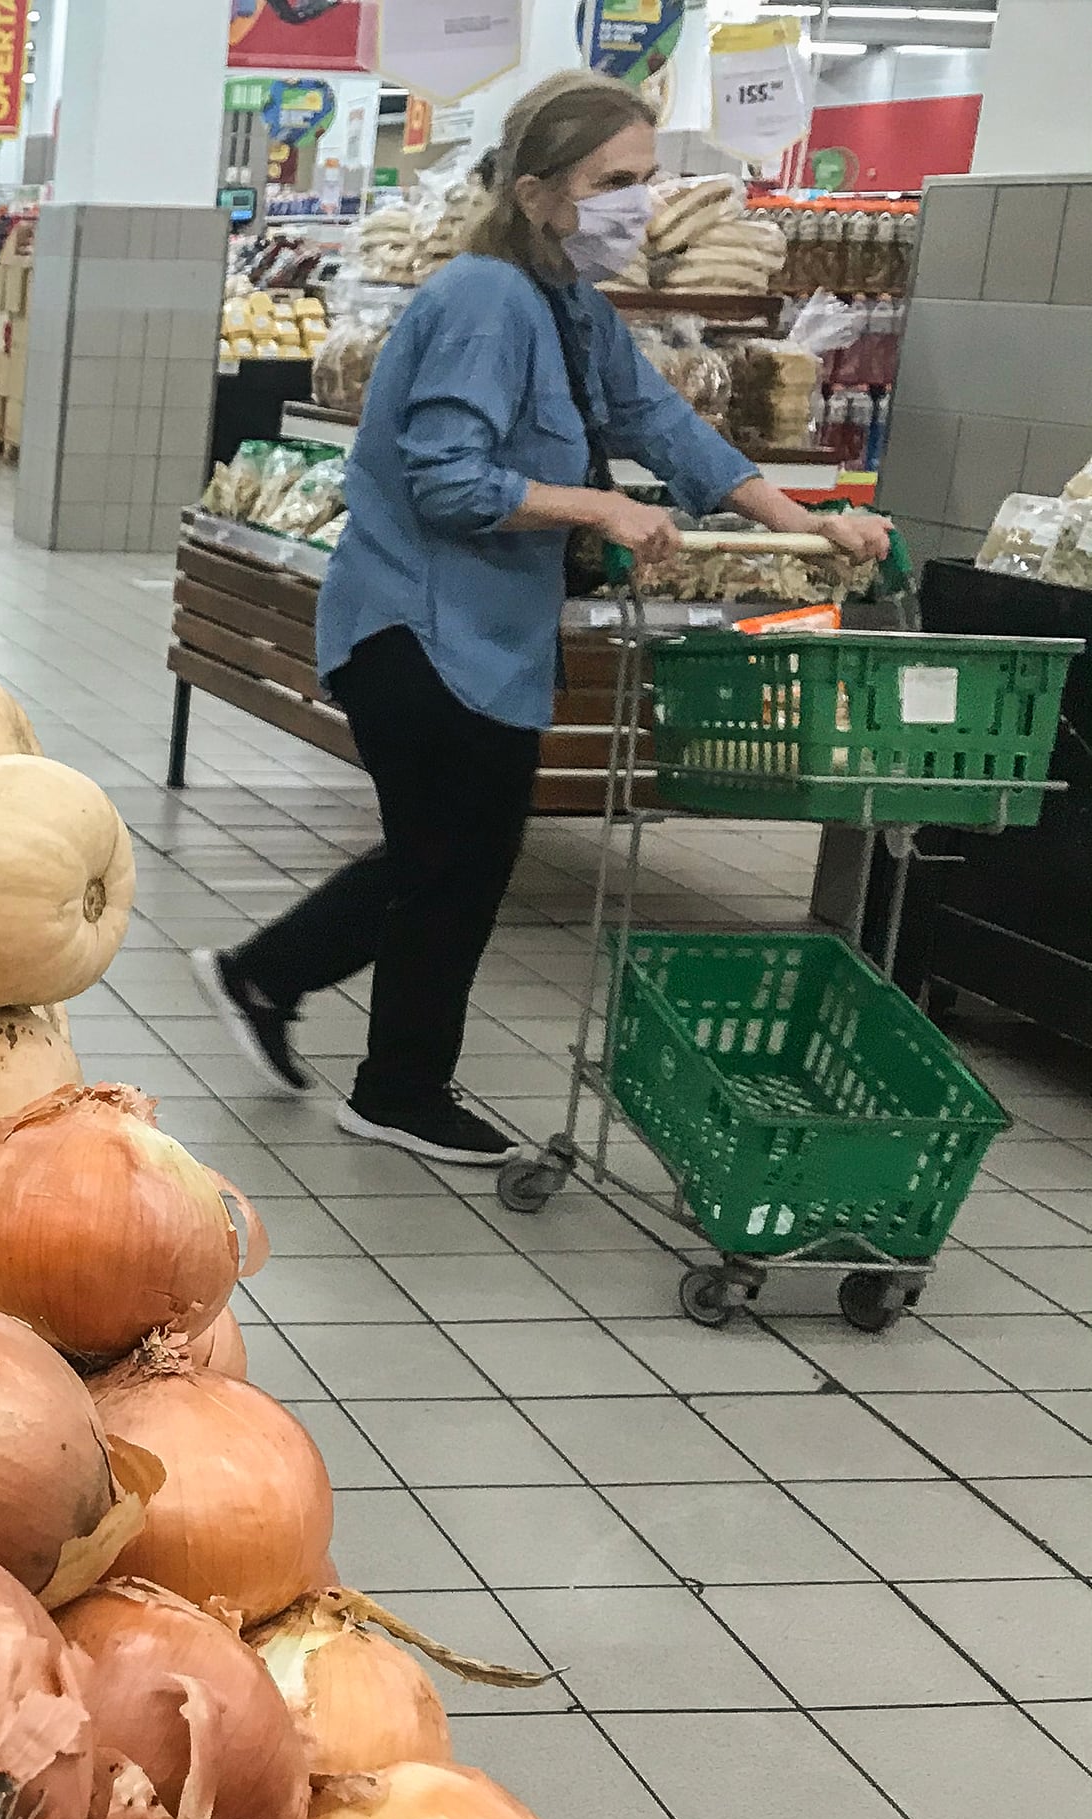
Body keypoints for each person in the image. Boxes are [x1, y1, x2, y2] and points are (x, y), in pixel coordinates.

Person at [192, 70, 893, 1167]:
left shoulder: (567, 306)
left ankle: (278, 986)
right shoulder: (483, 300)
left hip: (479, 637)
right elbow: (446, 478)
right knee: (450, 863)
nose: (641, 203)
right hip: (417, 629)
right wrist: (593, 503)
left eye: (649, 179)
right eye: (615, 180)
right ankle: (392, 1082)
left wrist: (804, 519)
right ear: (537, 193)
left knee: (451, 856)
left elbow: (662, 424)